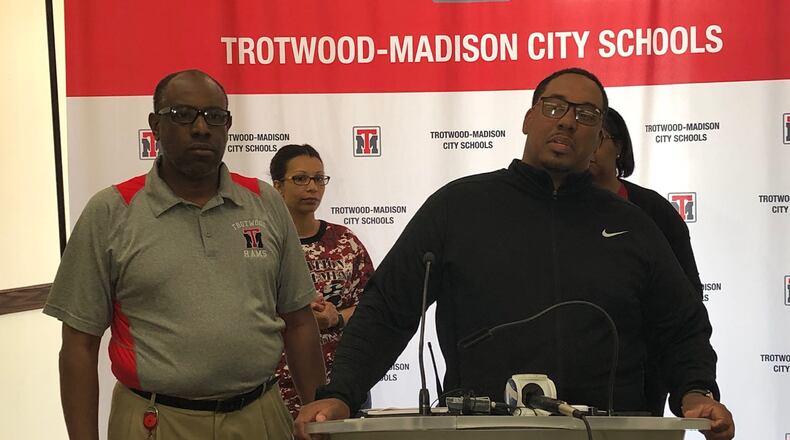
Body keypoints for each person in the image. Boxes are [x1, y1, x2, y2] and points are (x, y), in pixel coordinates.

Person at [295, 68, 734, 440]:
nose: (566, 122)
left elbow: (680, 326)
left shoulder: (636, 224)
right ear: (528, 118)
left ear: (600, 136)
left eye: (585, 115)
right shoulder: (457, 207)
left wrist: (696, 391)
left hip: (602, 431)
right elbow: (388, 308)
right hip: (480, 430)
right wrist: (341, 393)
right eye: (554, 106)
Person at [43, 69, 325, 440]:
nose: (200, 127)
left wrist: (318, 412)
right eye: (181, 115)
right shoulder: (112, 211)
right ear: (154, 125)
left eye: (214, 116)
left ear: (227, 125)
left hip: (260, 417)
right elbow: (79, 345)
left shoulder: (264, 202)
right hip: (156, 421)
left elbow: (300, 321)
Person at [590, 107, 705, 416]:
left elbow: (685, 302)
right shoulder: (552, 210)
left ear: (620, 148)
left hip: (640, 386)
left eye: (598, 137)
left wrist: (689, 386)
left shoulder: (652, 211)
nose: (587, 144)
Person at [269, 144, 375, 418]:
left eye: (319, 178)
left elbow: (372, 307)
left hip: (340, 386)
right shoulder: (263, 243)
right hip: (274, 389)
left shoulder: (344, 241)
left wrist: (335, 318)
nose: (312, 187)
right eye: (301, 178)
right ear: (278, 185)